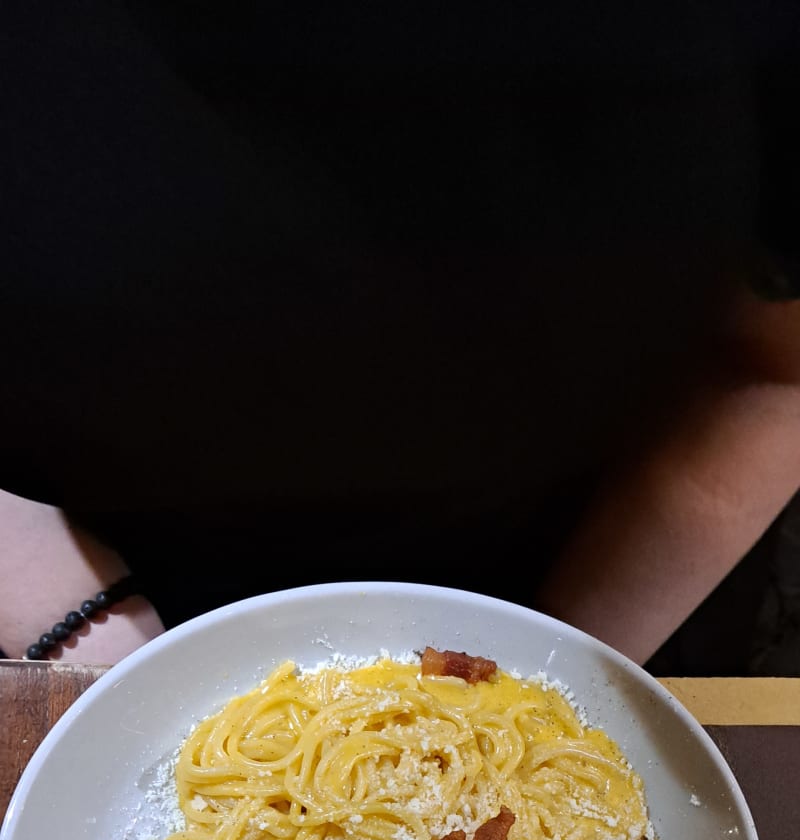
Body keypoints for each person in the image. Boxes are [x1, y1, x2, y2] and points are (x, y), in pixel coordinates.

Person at [1, 0, 799, 669]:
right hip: (91, 584)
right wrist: (84, 632)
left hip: (609, 574)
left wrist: (541, 667)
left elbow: (770, 367)